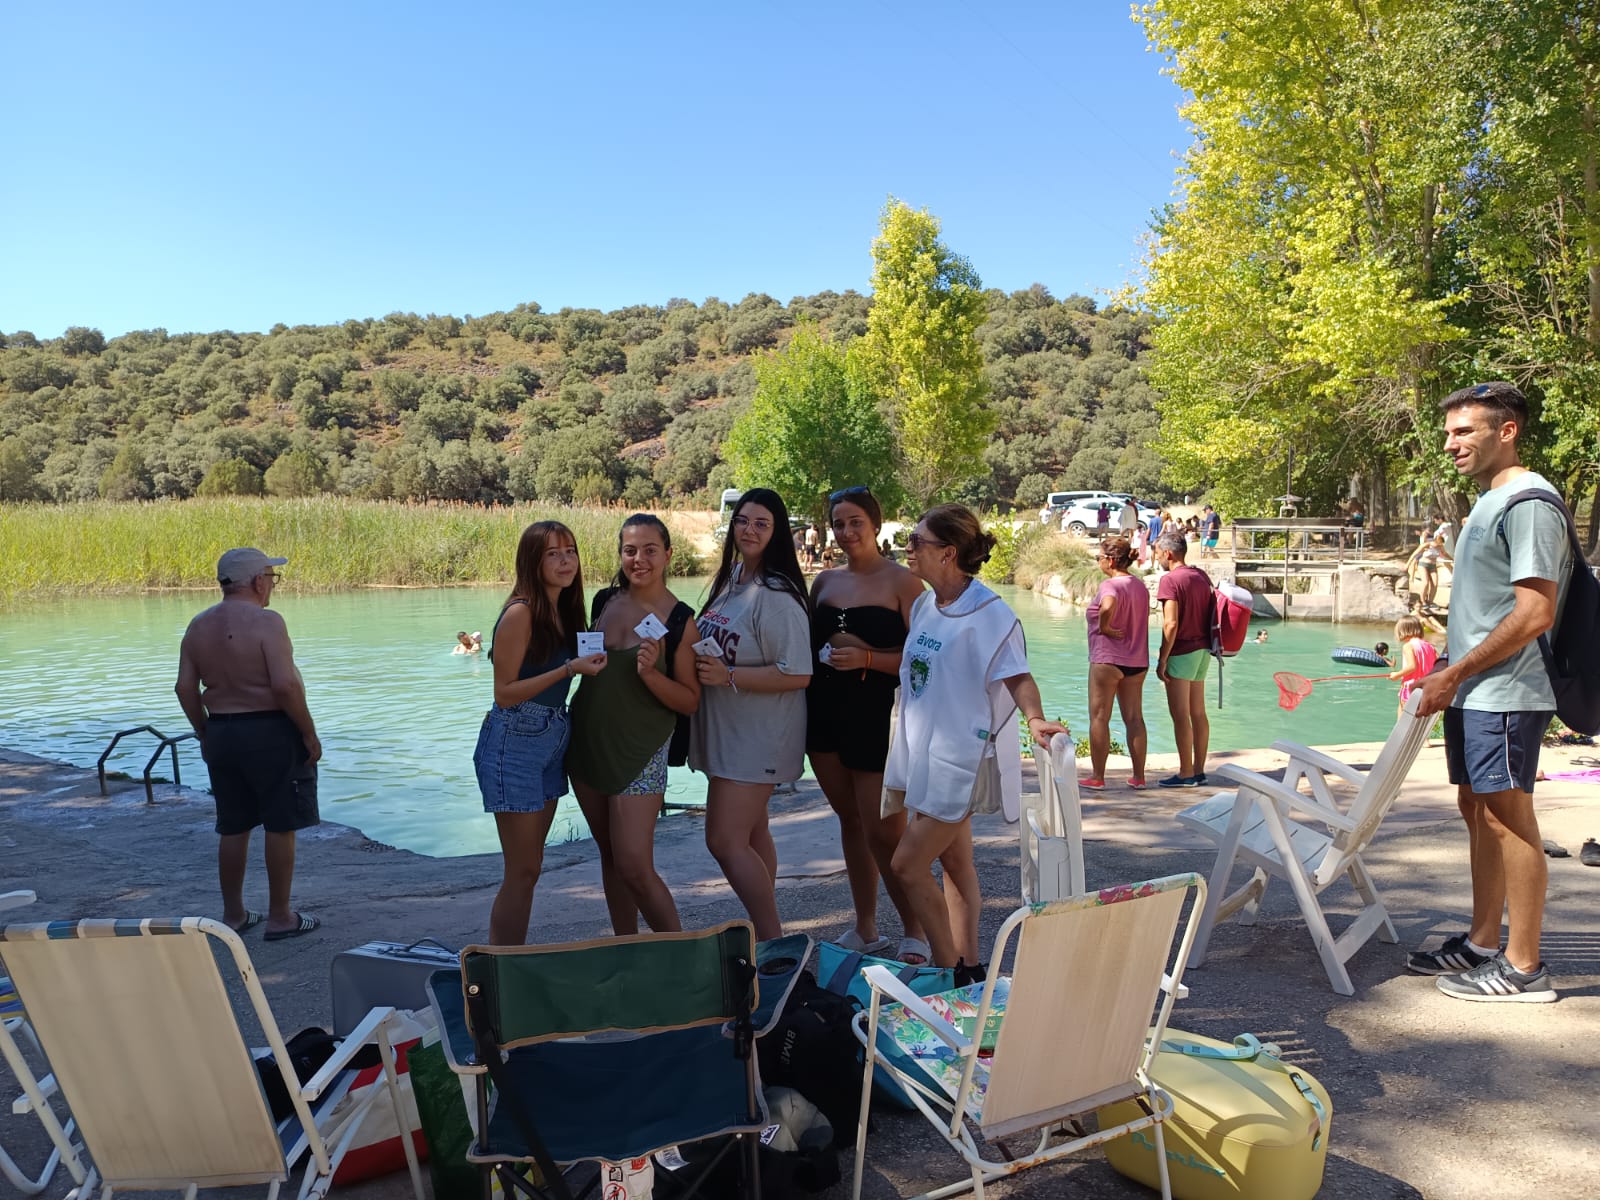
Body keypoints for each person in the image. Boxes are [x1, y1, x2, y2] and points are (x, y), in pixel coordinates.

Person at [1412, 381, 1569, 1002]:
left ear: (1506, 432)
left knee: (1509, 820)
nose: (1450, 443)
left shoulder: (1528, 502)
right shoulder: (1488, 499)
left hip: (1505, 691)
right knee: (1476, 809)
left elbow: (1536, 613)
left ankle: (1524, 968)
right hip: (1475, 688)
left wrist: (1455, 671)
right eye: (1449, 432)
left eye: (1464, 431)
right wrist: (1449, 666)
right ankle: (1482, 943)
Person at [883, 504, 1067, 974]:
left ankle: (949, 972)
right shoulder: (926, 604)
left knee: (906, 865)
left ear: (947, 554)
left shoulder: (989, 613)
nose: (908, 549)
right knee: (956, 864)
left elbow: (1017, 676)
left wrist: (1035, 719)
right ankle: (970, 966)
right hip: (925, 753)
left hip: (961, 760)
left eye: (916, 542)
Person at [174, 547, 323, 941]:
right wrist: (307, 731)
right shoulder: (267, 621)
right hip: (270, 731)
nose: (273, 584)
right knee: (280, 824)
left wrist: (203, 731)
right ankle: (280, 917)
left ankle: (234, 914)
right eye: (272, 577)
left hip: (223, 732)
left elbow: (184, 687)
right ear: (258, 581)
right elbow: (284, 685)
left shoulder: (198, 625)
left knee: (234, 826)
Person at [807, 486, 929, 961]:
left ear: (876, 524)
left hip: (877, 718)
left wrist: (869, 658)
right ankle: (865, 926)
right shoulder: (823, 583)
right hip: (824, 717)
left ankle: (915, 928)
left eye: (855, 521)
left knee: (884, 831)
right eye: (838, 523)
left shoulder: (905, 584)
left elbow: (924, 661)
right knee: (850, 822)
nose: (846, 532)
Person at [473, 521, 606, 945]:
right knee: (522, 870)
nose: (565, 560)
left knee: (532, 865)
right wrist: (569, 669)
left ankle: (511, 959)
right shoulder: (521, 612)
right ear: (533, 560)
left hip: (550, 737)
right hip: (515, 740)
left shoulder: (563, 609)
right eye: (553, 553)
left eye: (570, 550)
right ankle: (499, 968)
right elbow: (504, 693)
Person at [567, 515, 700, 935]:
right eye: (630, 550)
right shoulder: (604, 600)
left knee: (635, 866)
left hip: (640, 751)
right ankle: (627, 945)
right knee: (610, 856)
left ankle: (679, 953)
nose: (638, 559)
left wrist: (651, 675)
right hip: (587, 740)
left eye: (649, 550)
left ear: (667, 555)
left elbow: (690, 701)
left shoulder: (680, 620)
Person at [691, 488, 813, 941]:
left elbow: (797, 672)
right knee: (752, 830)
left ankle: (773, 940)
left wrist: (729, 676)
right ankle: (771, 936)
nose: (750, 529)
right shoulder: (732, 579)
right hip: (729, 733)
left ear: (778, 532)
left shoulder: (776, 595)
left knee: (723, 840)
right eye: (743, 520)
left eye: (762, 523)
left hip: (759, 737)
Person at [1084, 535, 1149, 789]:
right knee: (1134, 718)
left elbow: (1108, 605)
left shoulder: (1110, 585)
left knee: (1099, 717)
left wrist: (1105, 627)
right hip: (1137, 660)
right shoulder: (1140, 586)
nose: (1098, 561)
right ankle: (1139, 777)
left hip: (1108, 660)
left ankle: (1098, 777)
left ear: (1110, 560)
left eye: (1099, 557)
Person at [1153, 531, 1212, 788]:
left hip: (1182, 651)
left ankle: (1186, 773)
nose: (1156, 558)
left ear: (1168, 553)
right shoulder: (1200, 575)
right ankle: (1199, 770)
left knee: (1180, 716)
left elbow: (1171, 623)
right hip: (1204, 651)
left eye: (1157, 553)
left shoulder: (1170, 580)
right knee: (1198, 713)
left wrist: (1162, 658)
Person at [1386, 617, 1437, 717]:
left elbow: (1412, 666)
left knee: (1403, 715)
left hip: (1411, 689)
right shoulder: (1430, 646)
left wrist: (1397, 675)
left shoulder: (1408, 646)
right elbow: (1438, 664)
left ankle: (1400, 732)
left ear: (1402, 631)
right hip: (1427, 689)